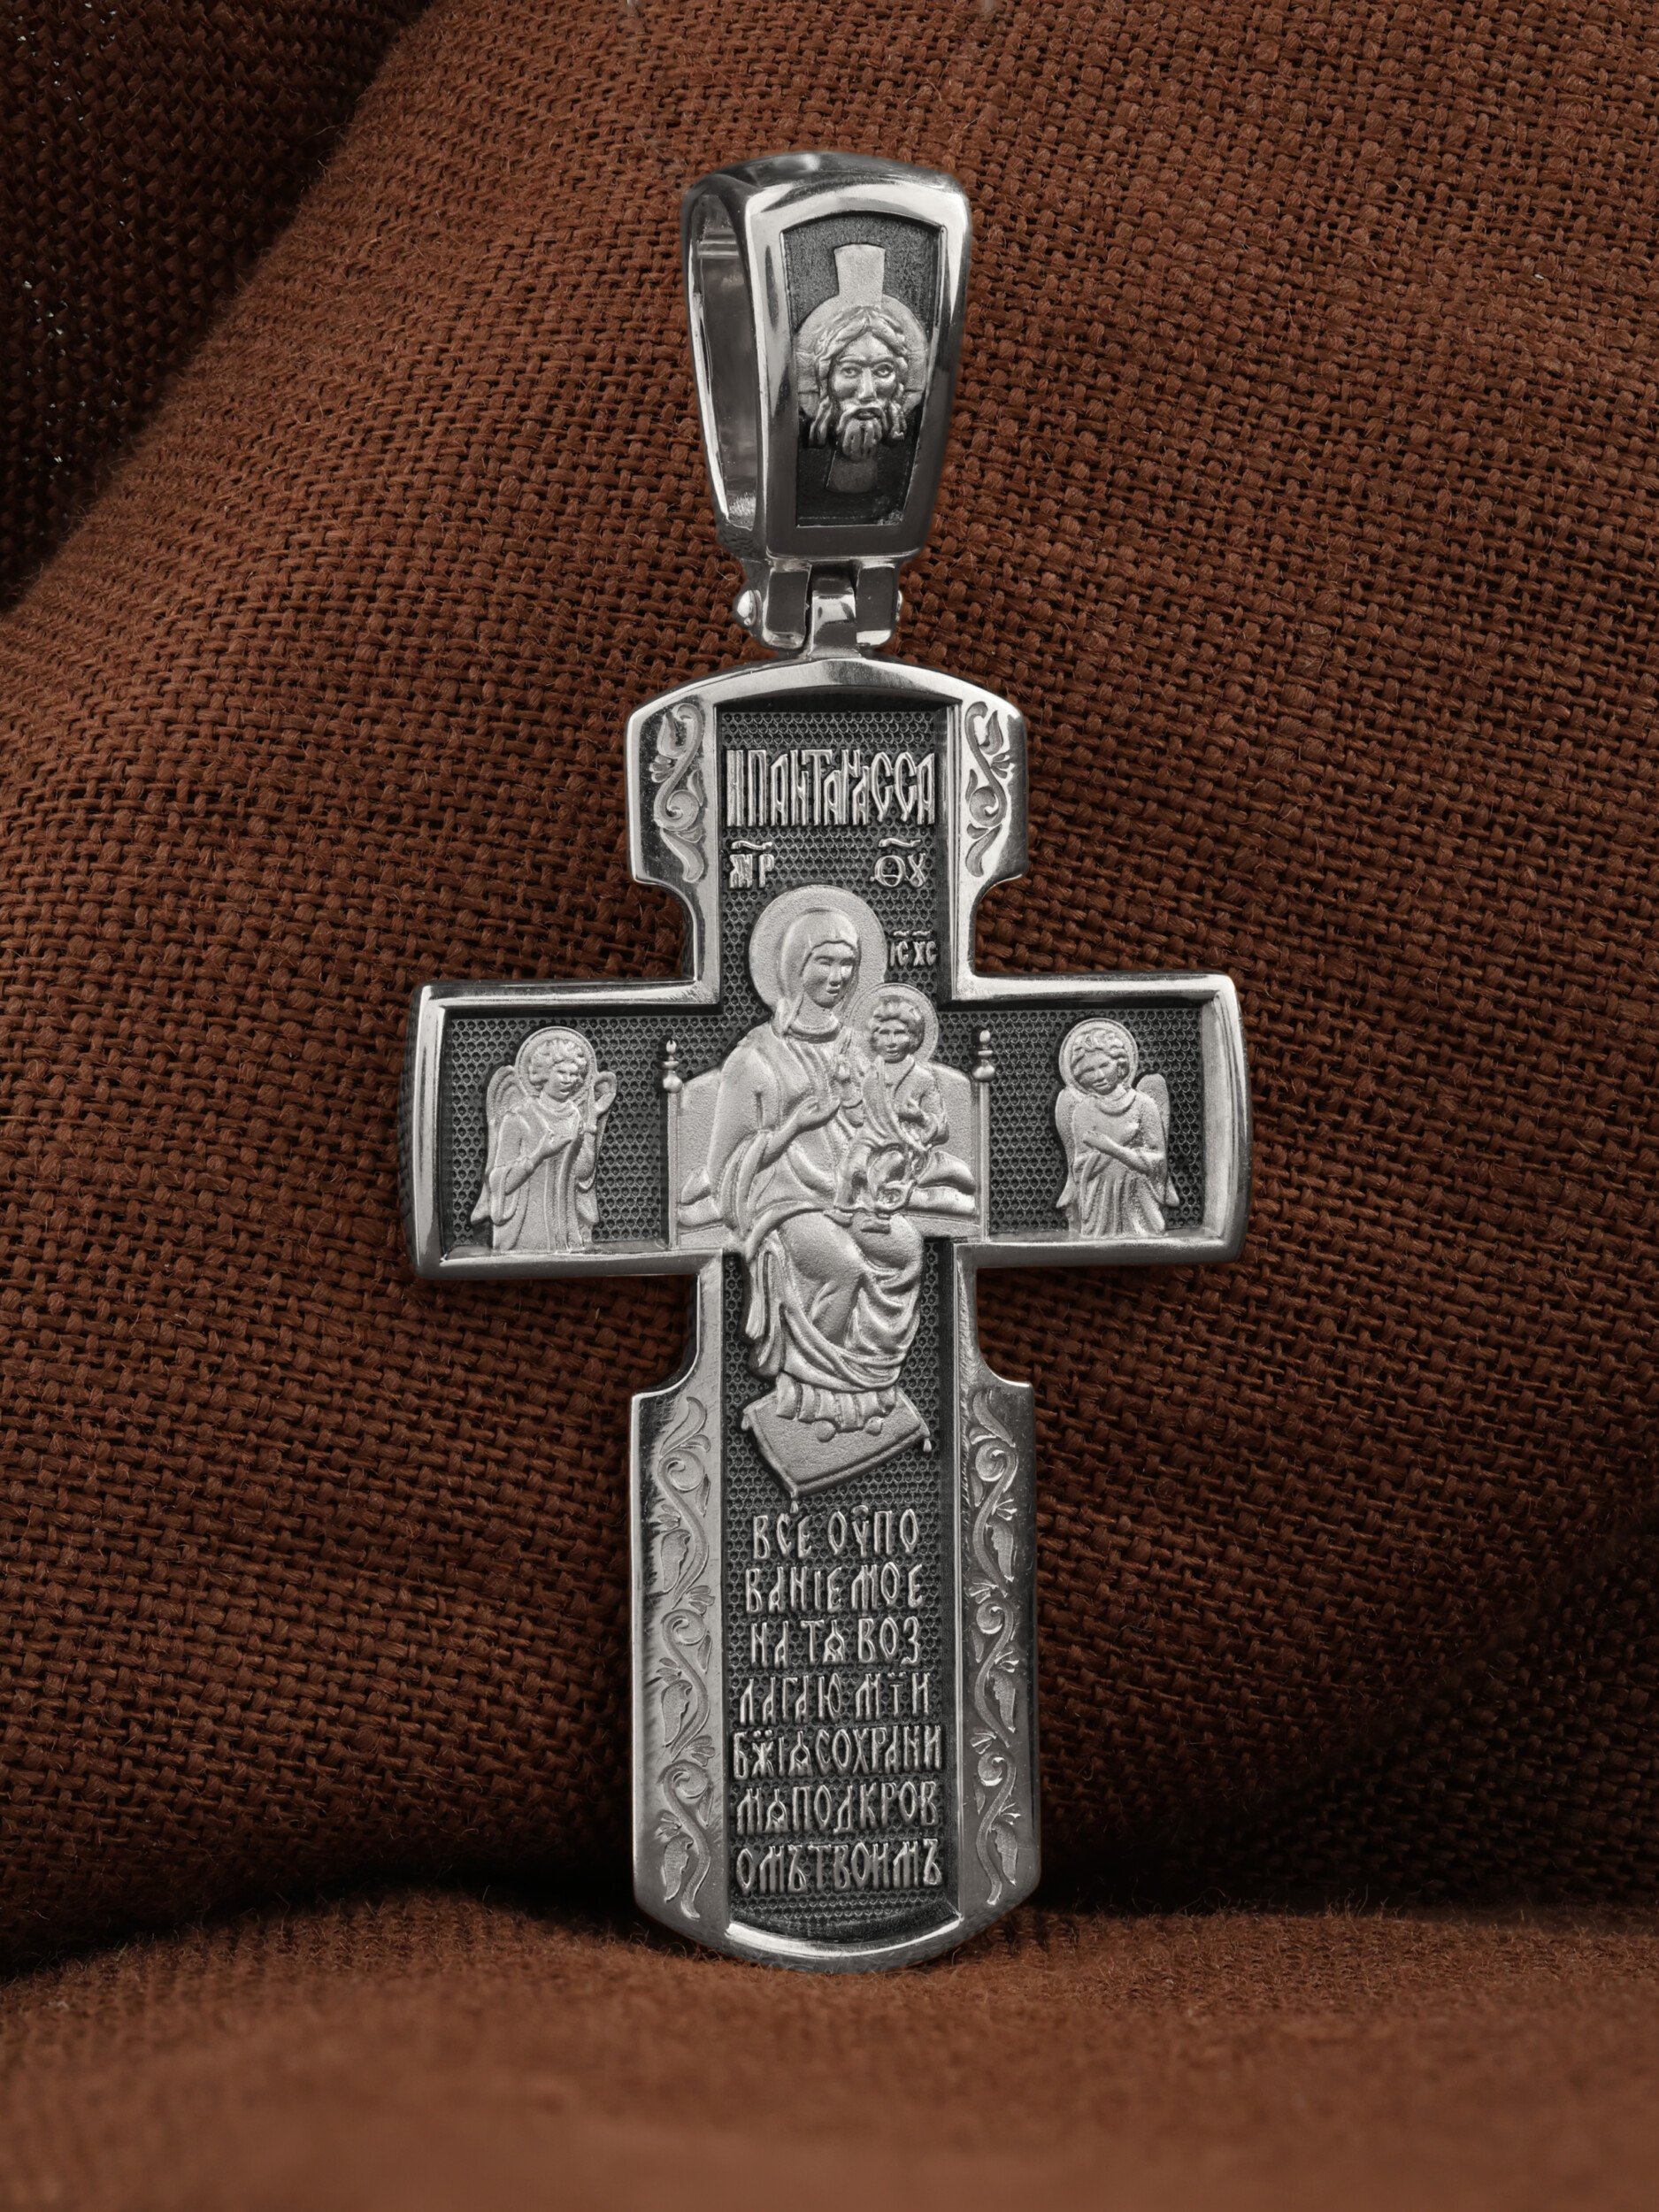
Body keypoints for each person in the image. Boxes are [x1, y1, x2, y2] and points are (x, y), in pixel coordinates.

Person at [680, 905, 925, 1446]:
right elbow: (724, 1163)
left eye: (848, 964)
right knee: (843, 1266)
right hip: (782, 1199)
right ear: (794, 966)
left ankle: (870, 1385)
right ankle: (810, 1398)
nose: (838, 977)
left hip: (849, 1194)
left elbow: (873, 1124)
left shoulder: (857, 1047)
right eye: (824, 962)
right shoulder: (755, 1057)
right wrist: (797, 1124)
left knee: (907, 1248)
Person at [834, 987, 977, 1230]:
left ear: (913, 1037)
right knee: (850, 1167)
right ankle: (842, 1212)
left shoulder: (922, 1078)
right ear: (874, 1037)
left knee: (881, 1173)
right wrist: (846, 1083)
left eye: (899, 1033)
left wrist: (919, 1117)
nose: (891, 1041)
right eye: (884, 1033)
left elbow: (942, 1129)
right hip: (871, 1139)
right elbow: (858, 1118)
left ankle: (881, 1218)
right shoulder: (872, 1075)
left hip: (905, 1146)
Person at [472, 1027, 616, 1254]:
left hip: (564, 1226)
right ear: (544, 1072)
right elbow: (499, 1181)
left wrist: (592, 1120)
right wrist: (539, 1155)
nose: (569, 1080)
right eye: (561, 1072)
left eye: (574, 1074)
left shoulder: (574, 1116)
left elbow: (581, 1172)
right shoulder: (518, 1118)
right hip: (525, 1227)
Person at [1055, 1019, 1174, 1239]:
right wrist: (1118, 1142)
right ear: (1080, 1075)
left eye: (1104, 1066)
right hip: (1100, 1204)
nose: (1098, 1076)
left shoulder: (1143, 1105)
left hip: (1139, 1201)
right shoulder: (1083, 1111)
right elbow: (1080, 1169)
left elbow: (1157, 1161)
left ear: (1119, 1064)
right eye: (1089, 1070)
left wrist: (1111, 1147)